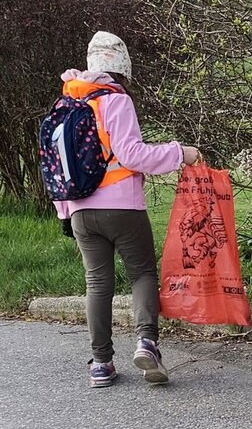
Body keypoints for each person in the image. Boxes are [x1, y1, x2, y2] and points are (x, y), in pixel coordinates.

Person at [53, 31, 199, 388]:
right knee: (142, 274)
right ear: (122, 68)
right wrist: (179, 153)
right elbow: (132, 155)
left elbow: (56, 167)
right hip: (123, 207)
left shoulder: (65, 106)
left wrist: (64, 212)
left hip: (80, 211)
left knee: (97, 283)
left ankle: (101, 364)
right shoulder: (115, 101)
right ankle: (147, 343)